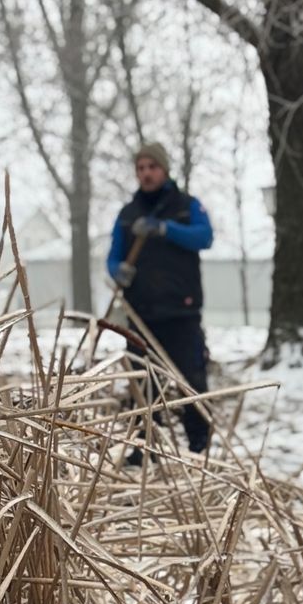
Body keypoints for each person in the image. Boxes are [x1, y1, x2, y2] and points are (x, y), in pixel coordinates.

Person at [107, 141, 214, 461]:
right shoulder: (127, 215)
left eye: (151, 167)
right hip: (141, 316)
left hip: (181, 312)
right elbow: (114, 258)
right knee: (143, 384)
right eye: (140, 168)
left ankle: (199, 447)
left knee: (191, 381)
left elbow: (204, 236)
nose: (146, 173)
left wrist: (165, 228)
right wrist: (119, 272)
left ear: (164, 170)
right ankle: (144, 447)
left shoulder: (187, 206)